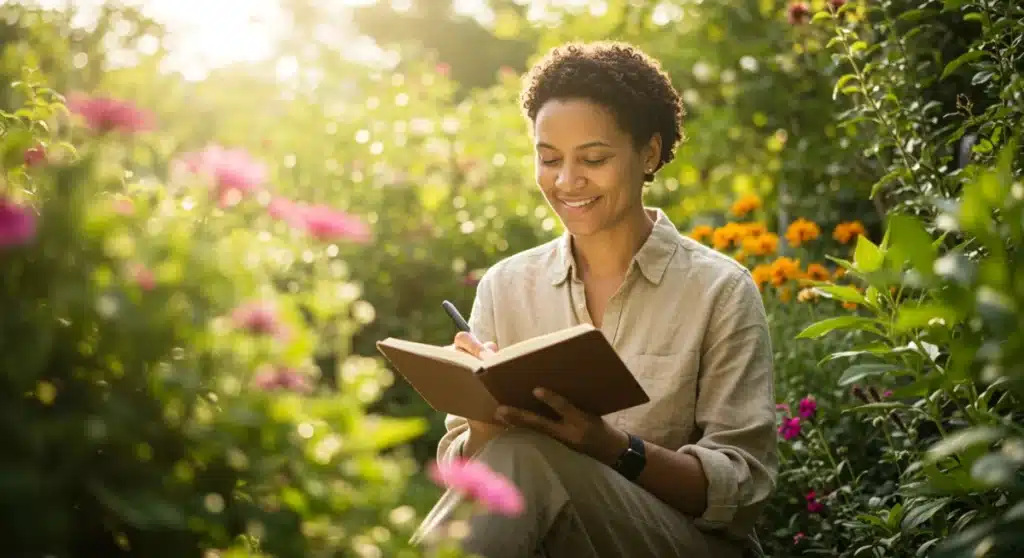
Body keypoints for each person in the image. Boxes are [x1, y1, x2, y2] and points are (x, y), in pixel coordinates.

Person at [413, 41, 777, 558]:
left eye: (594, 158)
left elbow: (741, 492)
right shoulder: (506, 285)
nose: (567, 181)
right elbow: (468, 481)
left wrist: (610, 446)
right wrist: (482, 421)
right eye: (549, 159)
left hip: (682, 543)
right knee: (521, 451)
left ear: (648, 153)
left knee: (529, 456)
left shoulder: (720, 289)